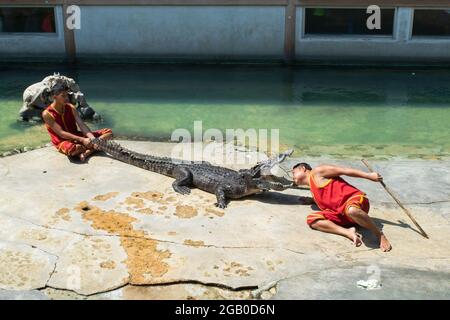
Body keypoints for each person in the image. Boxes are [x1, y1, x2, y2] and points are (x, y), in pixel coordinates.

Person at [292, 162, 392, 252]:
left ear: (303, 169)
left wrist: (369, 175)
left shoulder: (318, 171)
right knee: (312, 220)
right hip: (343, 215)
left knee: (352, 210)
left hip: (354, 202)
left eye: (293, 173)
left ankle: (379, 235)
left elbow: (344, 171)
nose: (292, 177)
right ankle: (348, 232)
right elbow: (328, 196)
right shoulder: (312, 188)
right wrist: (312, 200)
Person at [42, 84, 112, 161]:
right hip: (63, 141)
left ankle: (87, 152)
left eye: (67, 95)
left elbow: (81, 125)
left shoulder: (71, 107)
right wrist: (83, 140)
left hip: (76, 135)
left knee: (108, 132)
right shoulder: (47, 113)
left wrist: (93, 139)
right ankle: (88, 148)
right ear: (54, 97)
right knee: (73, 149)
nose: (66, 98)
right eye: (63, 96)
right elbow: (61, 133)